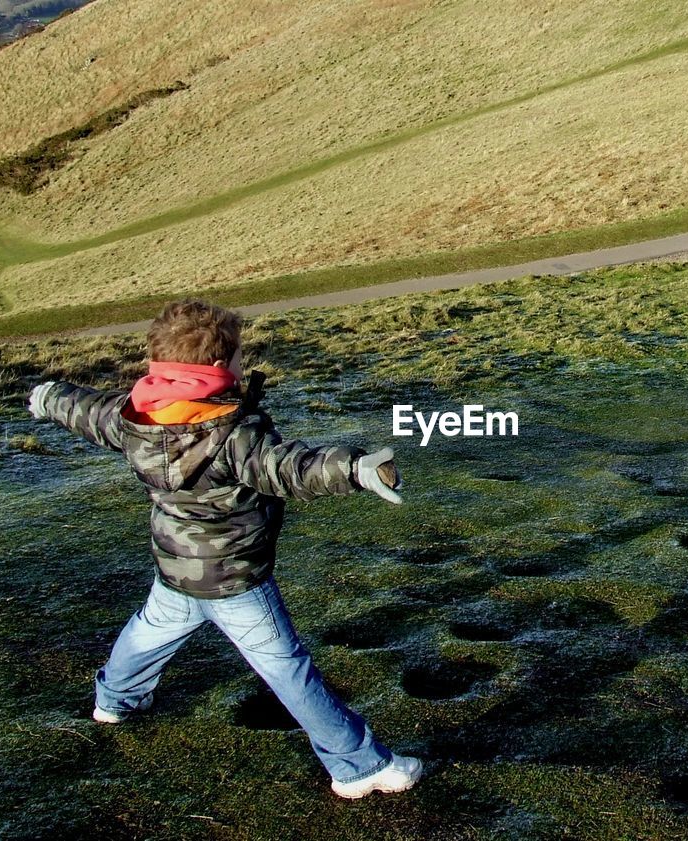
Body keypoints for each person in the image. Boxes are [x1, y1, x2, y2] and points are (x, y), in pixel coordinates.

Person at [26, 299, 421, 800]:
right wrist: (356, 468)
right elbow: (289, 468)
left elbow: (82, 410)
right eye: (237, 359)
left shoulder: (132, 414)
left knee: (149, 631)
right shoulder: (231, 434)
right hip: (235, 579)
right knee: (286, 667)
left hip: (176, 567)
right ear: (217, 368)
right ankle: (358, 766)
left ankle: (115, 699)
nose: (241, 366)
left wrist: (47, 397)